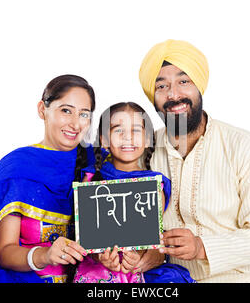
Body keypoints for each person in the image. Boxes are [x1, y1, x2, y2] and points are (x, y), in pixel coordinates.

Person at [136, 39, 250, 282]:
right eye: (162, 86)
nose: (174, 95)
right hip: (170, 281)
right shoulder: (141, 152)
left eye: (183, 82)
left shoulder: (243, 146)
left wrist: (201, 247)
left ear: (199, 86)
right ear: (153, 96)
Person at [0, 74, 97, 283]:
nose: (75, 124)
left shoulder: (98, 164)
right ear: (42, 110)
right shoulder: (18, 168)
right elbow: (4, 251)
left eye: (84, 114)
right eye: (66, 111)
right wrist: (44, 255)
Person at [73, 102, 195, 283]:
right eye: (118, 130)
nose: (127, 137)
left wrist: (137, 257)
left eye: (136, 130)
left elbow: (152, 234)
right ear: (104, 140)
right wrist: (102, 257)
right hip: (99, 268)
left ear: (147, 140)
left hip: (140, 267)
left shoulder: (155, 184)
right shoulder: (91, 179)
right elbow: (86, 235)